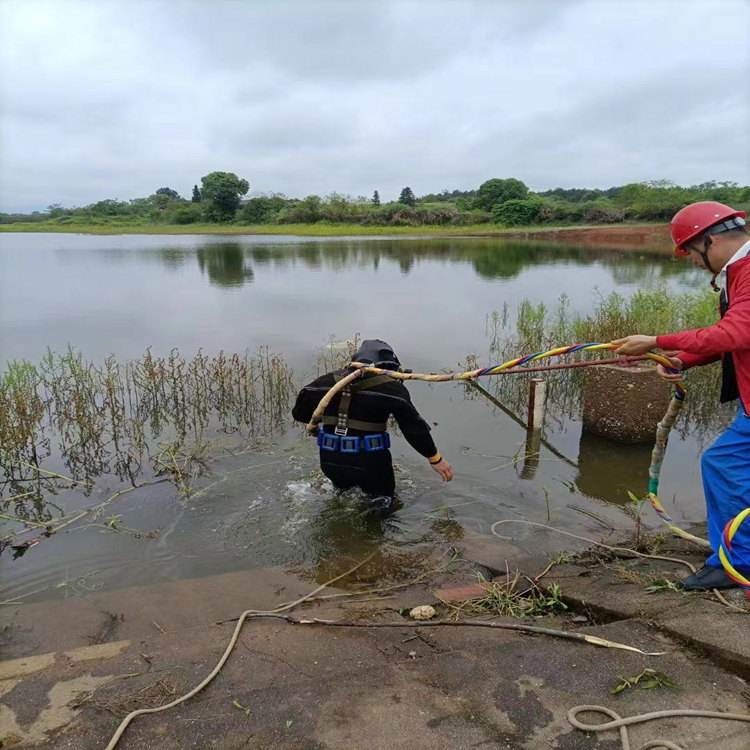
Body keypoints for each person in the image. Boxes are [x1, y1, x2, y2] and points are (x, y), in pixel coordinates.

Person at [613, 201, 750, 590]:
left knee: (723, 464)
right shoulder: (738, 273)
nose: (691, 261)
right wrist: (684, 359)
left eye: (690, 252)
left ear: (709, 240)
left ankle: (736, 563)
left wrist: (655, 340)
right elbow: (731, 334)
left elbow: (737, 333)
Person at [292, 339, 454, 516]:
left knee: (341, 498)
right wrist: (435, 459)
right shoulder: (392, 389)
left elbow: (299, 415)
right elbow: (413, 427)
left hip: (330, 460)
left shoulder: (321, 383)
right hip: (371, 462)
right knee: (384, 506)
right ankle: (375, 541)